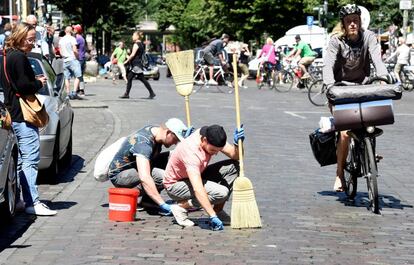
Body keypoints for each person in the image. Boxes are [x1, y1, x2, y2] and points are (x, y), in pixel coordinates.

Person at [323, 4, 390, 192]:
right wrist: (329, 85)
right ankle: (338, 175)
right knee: (345, 133)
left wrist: (383, 78)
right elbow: (328, 65)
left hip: (363, 87)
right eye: (348, 21)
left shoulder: (369, 37)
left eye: (355, 20)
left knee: (371, 120)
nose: (352, 24)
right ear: (343, 25)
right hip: (340, 90)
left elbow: (378, 60)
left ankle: (369, 151)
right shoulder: (336, 41)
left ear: (360, 22)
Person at [0, 23, 56, 216]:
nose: (33, 43)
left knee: (18, 159)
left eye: (34, 39)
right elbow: (24, 86)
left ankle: (17, 200)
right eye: (30, 39)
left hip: (12, 111)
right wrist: (38, 83)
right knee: (30, 158)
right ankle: (33, 201)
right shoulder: (19, 57)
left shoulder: (6, 56)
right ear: (20, 37)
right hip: (23, 114)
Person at [163, 125, 245, 230]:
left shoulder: (212, 136)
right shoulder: (192, 153)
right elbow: (198, 189)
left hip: (196, 174)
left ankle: (218, 210)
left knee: (235, 167)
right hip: (176, 185)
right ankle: (180, 207)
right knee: (221, 193)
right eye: (213, 150)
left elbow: (236, 156)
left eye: (218, 151)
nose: (215, 154)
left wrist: (238, 144)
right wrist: (212, 216)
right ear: (204, 140)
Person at [107, 118, 192, 215]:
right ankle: (146, 198)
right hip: (121, 176)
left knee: (174, 158)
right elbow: (145, 177)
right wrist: (163, 204)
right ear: (168, 132)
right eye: (176, 139)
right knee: (161, 176)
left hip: (137, 168)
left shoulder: (156, 131)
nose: (175, 143)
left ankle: (148, 202)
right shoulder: (143, 143)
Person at [119, 31, 155, 99]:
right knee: (133, 78)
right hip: (138, 64)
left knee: (137, 78)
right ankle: (127, 94)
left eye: (133, 35)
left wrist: (126, 61)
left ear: (137, 36)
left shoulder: (136, 44)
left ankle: (151, 93)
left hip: (136, 65)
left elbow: (132, 55)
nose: (132, 36)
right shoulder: (141, 44)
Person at [59, 26, 83, 100]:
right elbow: (75, 50)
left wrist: (63, 56)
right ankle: (74, 92)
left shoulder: (61, 40)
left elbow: (60, 51)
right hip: (72, 58)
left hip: (65, 60)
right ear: (71, 31)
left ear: (65, 31)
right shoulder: (72, 39)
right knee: (78, 76)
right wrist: (77, 57)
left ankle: (68, 93)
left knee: (67, 77)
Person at [73, 24, 86, 96]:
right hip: (81, 58)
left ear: (77, 30)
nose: (73, 30)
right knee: (78, 74)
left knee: (78, 75)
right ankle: (79, 89)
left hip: (79, 58)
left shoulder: (78, 39)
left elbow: (74, 48)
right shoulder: (81, 38)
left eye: (74, 29)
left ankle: (81, 90)